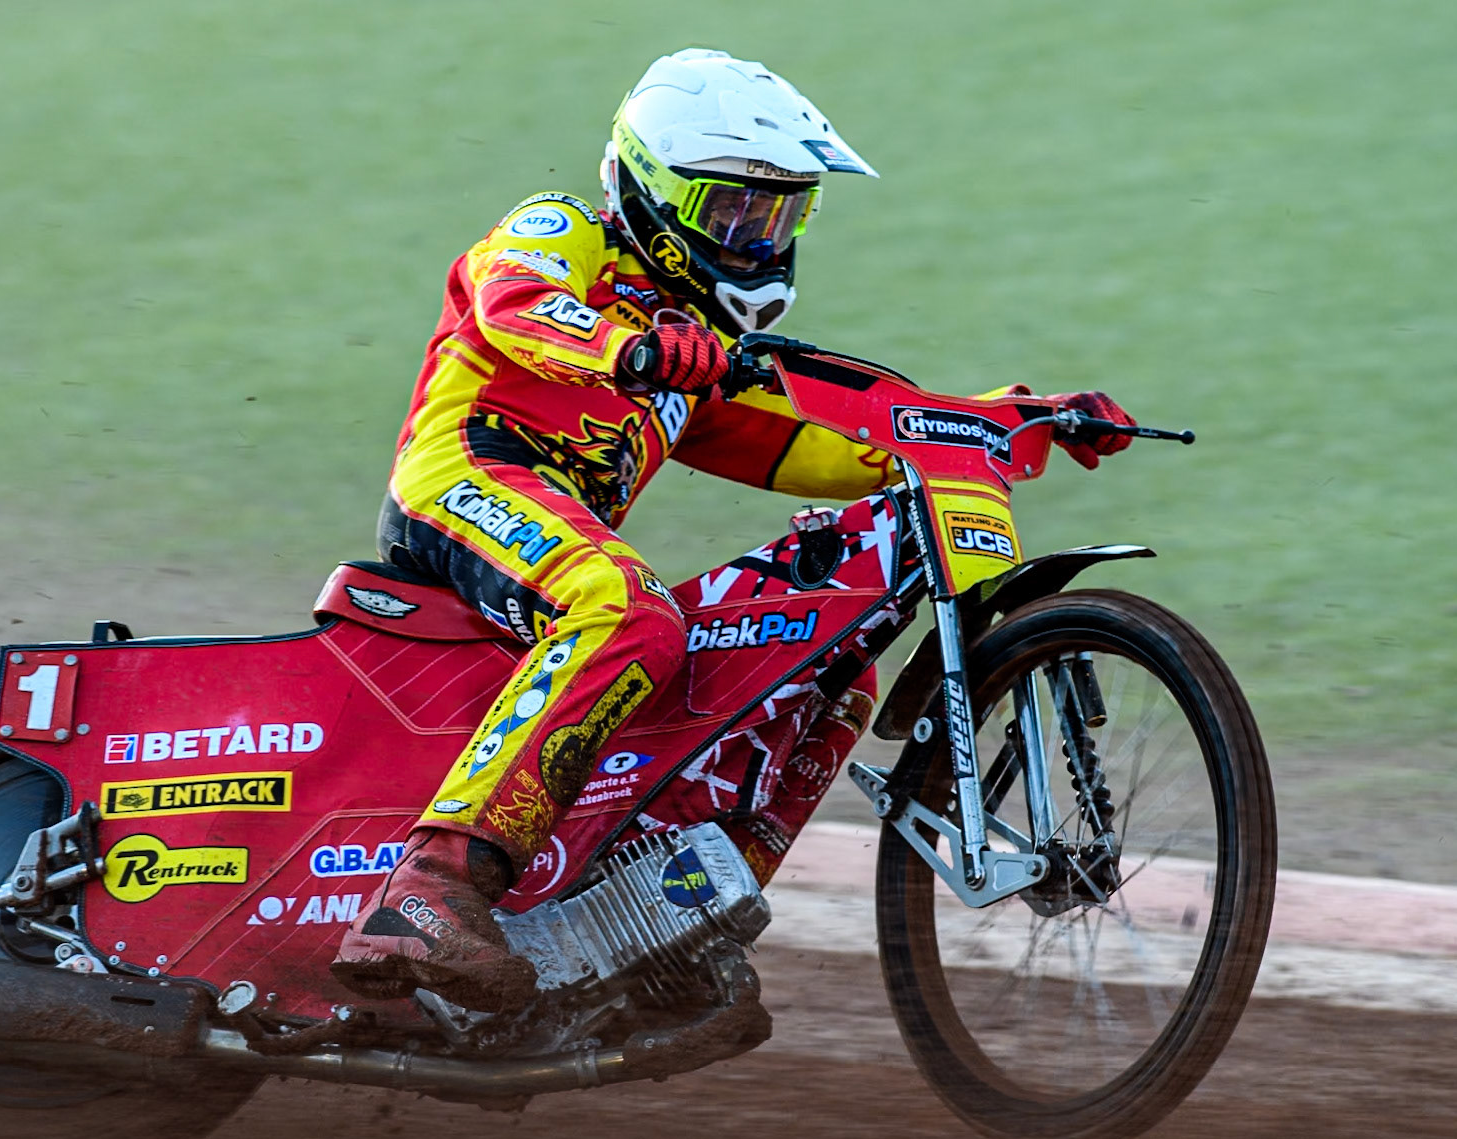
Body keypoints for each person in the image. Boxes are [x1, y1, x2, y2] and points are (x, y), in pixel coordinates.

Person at [330, 48, 1135, 1012]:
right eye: (734, 210)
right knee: (629, 613)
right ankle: (431, 890)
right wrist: (625, 345)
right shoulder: (563, 228)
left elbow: (811, 444)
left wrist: (1003, 421)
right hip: (461, 477)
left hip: (558, 518)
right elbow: (516, 308)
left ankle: (660, 916)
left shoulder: (693, 351)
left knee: (834, 666)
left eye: (781, 212)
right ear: (654, 190)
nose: (758, 237)